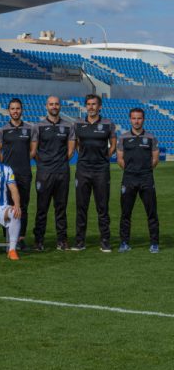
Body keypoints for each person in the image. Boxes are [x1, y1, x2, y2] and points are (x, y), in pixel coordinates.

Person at [31, 96, 75, 251]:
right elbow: (34, 151)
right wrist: (43, 163)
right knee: (42, 208)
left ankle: (62, 240)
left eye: (56, 104)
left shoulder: (68, 126)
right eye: (51, 104)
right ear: (46, 106)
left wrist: (60, 161)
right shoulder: (38, 126)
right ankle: (39, 240)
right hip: (44, 173)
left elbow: (70, 150)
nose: (54, 106)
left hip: (62, 172)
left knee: (61, 208)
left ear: (60, 106)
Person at [73, 94, 116, 252]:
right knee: (81, 207)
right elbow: (76, 143)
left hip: (101, 171)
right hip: (83, 170)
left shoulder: (108, 124)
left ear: (100, 107)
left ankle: (105, 241)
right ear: (86, 106)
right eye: (89, 104)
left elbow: (113, 143)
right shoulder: (78, 124)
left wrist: (106, 156)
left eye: (94, 104)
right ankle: (79, 242)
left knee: (102, 207)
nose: (91, 107)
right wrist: (83, 156)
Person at [117, 108, 159, 253]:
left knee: (152, 212)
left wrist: (145, 170)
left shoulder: (151, 137)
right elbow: (120, 159)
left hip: (146, 178)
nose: (136, 121)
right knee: (125, 213)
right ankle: (124, 242)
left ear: (143, 119)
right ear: (130, 119)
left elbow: (155, 158)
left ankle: (154, 243)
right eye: (134, 118)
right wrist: (130, 170)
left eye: (139, 118)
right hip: (129, 178)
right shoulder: (123, 138)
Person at [0, 98, 35, 251]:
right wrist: (6, 164)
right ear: (9, 111)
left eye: (18, 108)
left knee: (23, 207)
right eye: (12, 109)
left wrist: (25, 161)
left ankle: (21, 238)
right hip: (8, 175)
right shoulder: (2, 130)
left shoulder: (30, 129)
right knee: (7, 206)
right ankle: (8, 237)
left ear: (21, 110)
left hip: (25, 173)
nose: (15, 111)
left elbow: (33, 150)